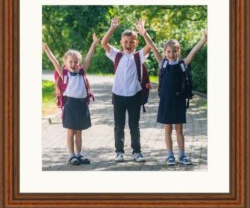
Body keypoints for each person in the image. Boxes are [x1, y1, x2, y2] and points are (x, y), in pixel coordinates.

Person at [138, 28, 207, 166]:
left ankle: (182, 155)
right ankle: (170, 156)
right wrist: (144, 34)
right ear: (165, 52)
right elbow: (152, 46)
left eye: (174, 51)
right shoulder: (162, 63)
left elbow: (193, 52)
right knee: (168, 129)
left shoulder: (183, 64)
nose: (171, 54)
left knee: (179, 130)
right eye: (168, 51)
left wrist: (204, 39)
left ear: (178, 51)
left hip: (179, 101)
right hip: (166, 101)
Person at [42, 33, 99, 165]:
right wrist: (47, 50)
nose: (73, 64)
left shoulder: (82, 72)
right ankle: (72, 155)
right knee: (71, 131)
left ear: (79, 63)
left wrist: (94, 44)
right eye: (70, 62)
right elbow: (54, 62)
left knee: (79, 132)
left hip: (82, 105)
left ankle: (79, 155)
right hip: (70, 105)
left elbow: (88, 59)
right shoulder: (64, 74)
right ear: (66, 63)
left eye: (76, 62)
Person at [101, 18, 153, 162]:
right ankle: (119, 152)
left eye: (132, 42)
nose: (128, 44)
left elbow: (151, 46)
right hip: (118, 95)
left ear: (136, 43)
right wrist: (112, 28)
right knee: (119, 125)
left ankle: (137, 152)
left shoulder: (139, 56)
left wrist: (143, 33)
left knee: (134, 125)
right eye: (126, 42)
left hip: (134, 95)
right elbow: (103, 43)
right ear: (121, 43)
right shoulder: (117, 55)